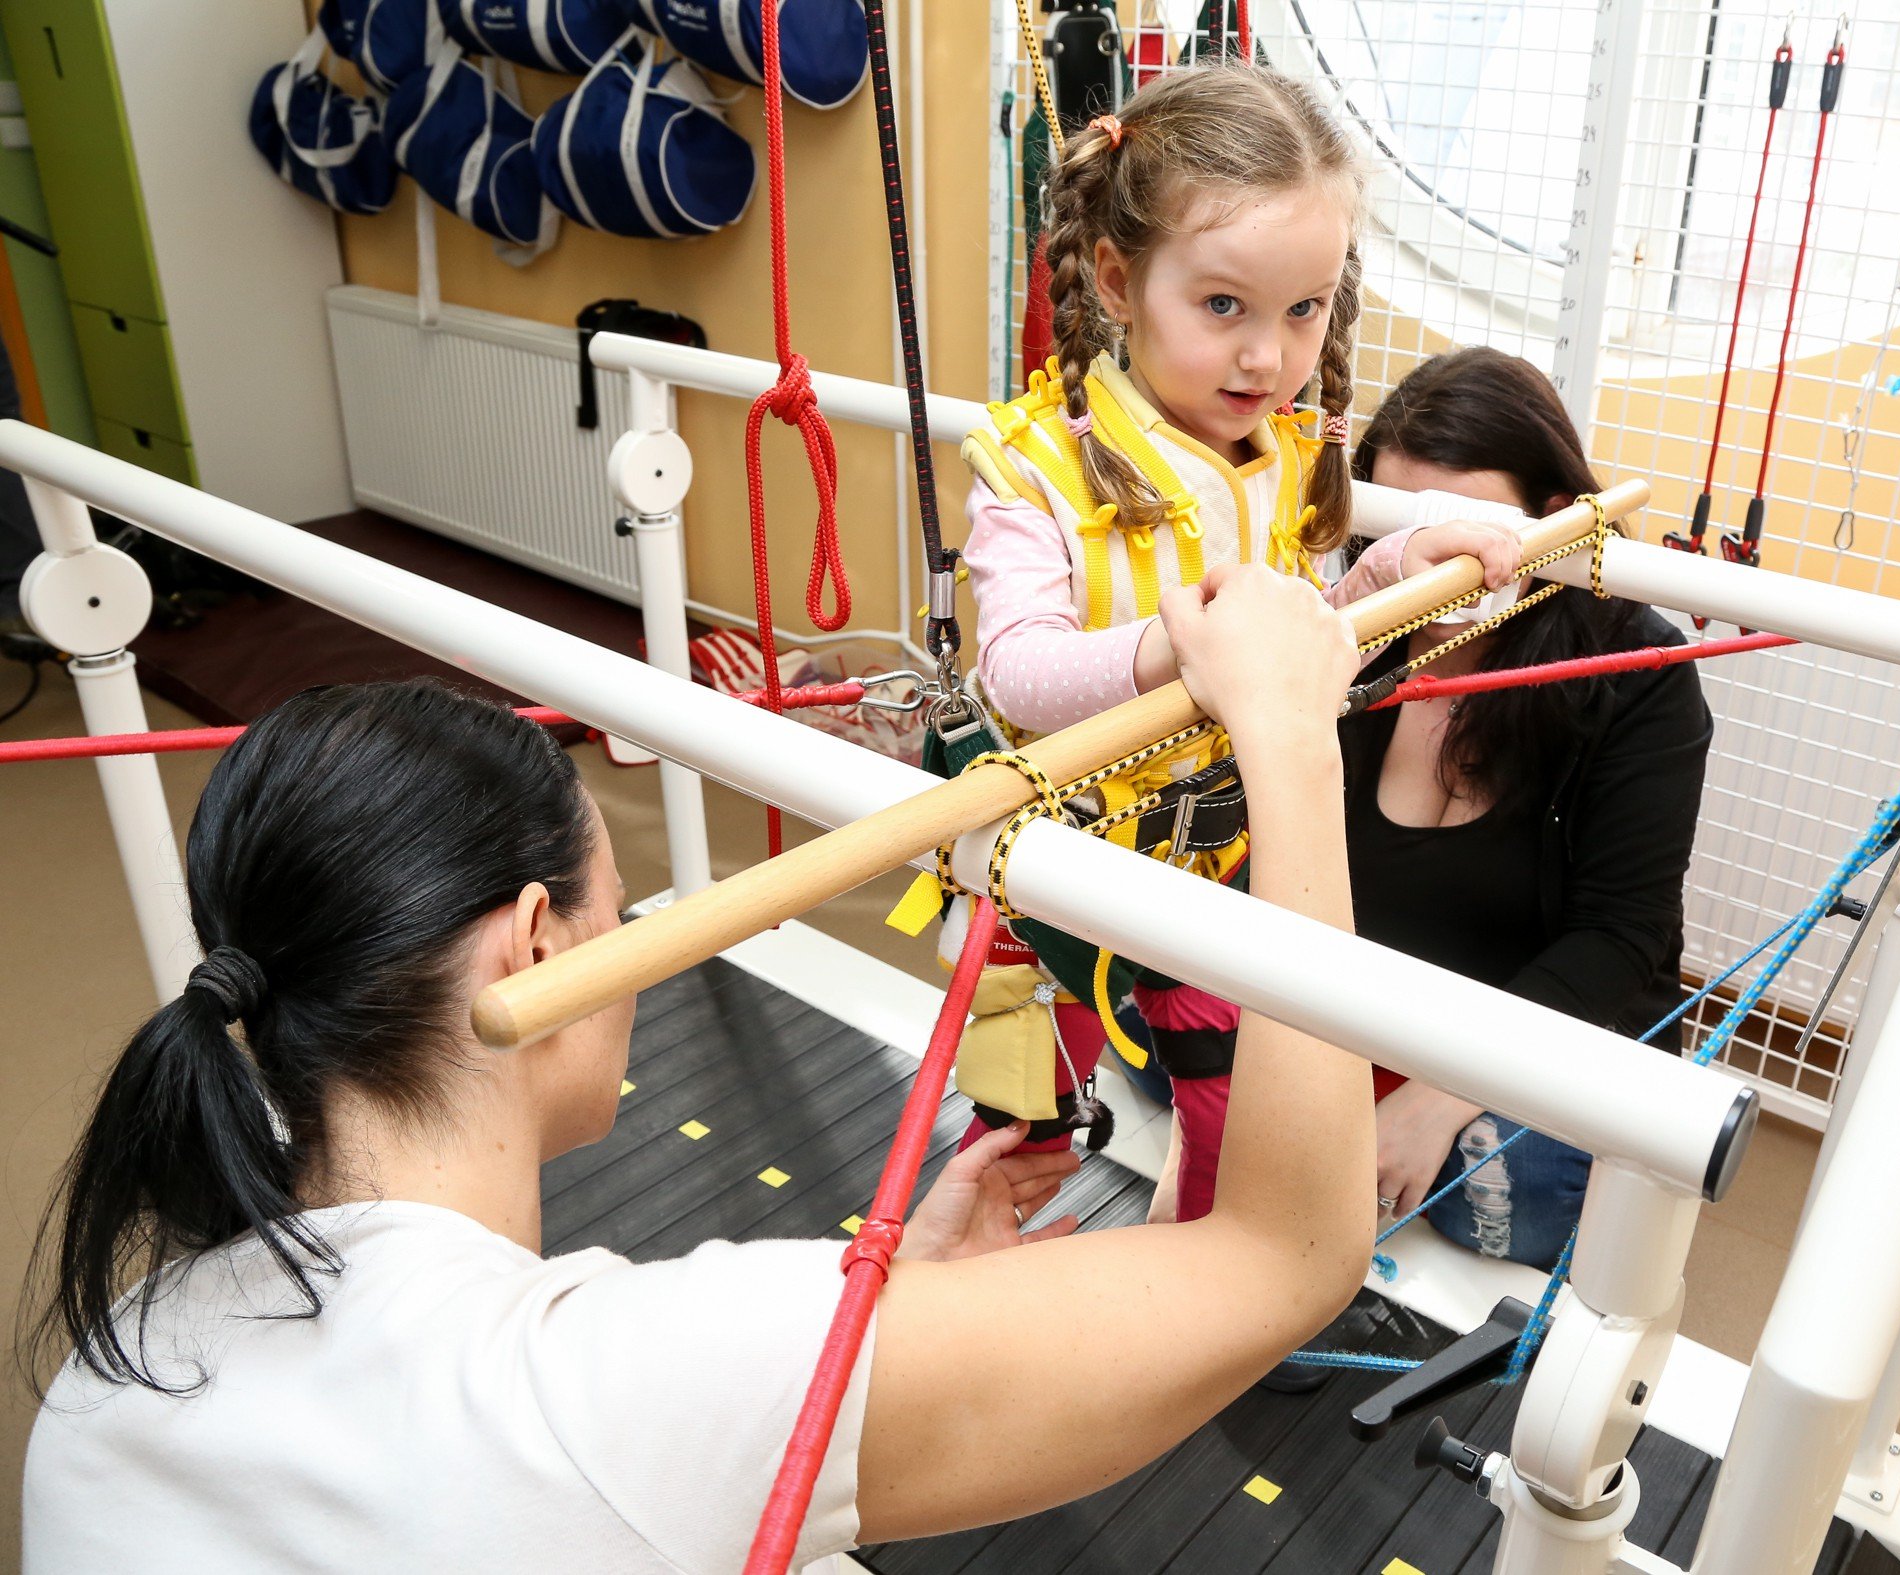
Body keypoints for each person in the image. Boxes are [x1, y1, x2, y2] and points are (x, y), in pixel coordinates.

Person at [18, 563, 1373, 1571]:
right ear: (532, 947)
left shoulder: (109, 1374)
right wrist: (1291, 735)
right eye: (624, 906)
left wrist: (897, 1312)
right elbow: (1285, 1251)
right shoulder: (633, 1382)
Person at [958, 63, 1519, 1220]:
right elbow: (1011, 669)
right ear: (1116, 279)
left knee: (1233, 1112)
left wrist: (1389, 577)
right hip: (1060, 882)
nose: (1267, 356)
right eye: (1225, 308)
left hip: (1215, 872)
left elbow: (1301, 637)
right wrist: (1170, 654)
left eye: (1302, 311)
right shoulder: (1034, 471)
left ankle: (1204, 1266)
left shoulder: (1272, 456)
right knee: (1022, 1126)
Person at [1349, 347, 1714, 1269]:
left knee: (1520, 1189)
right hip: (1362, 1012)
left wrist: (1444, 1090)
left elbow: (1621, 940)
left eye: (1466, 534)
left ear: (1553, 520)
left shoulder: (1637, 669)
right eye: (1403, 531)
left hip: (1535, 1031)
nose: (1430, 568)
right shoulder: (1351, 630)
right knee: (1167, 1029)